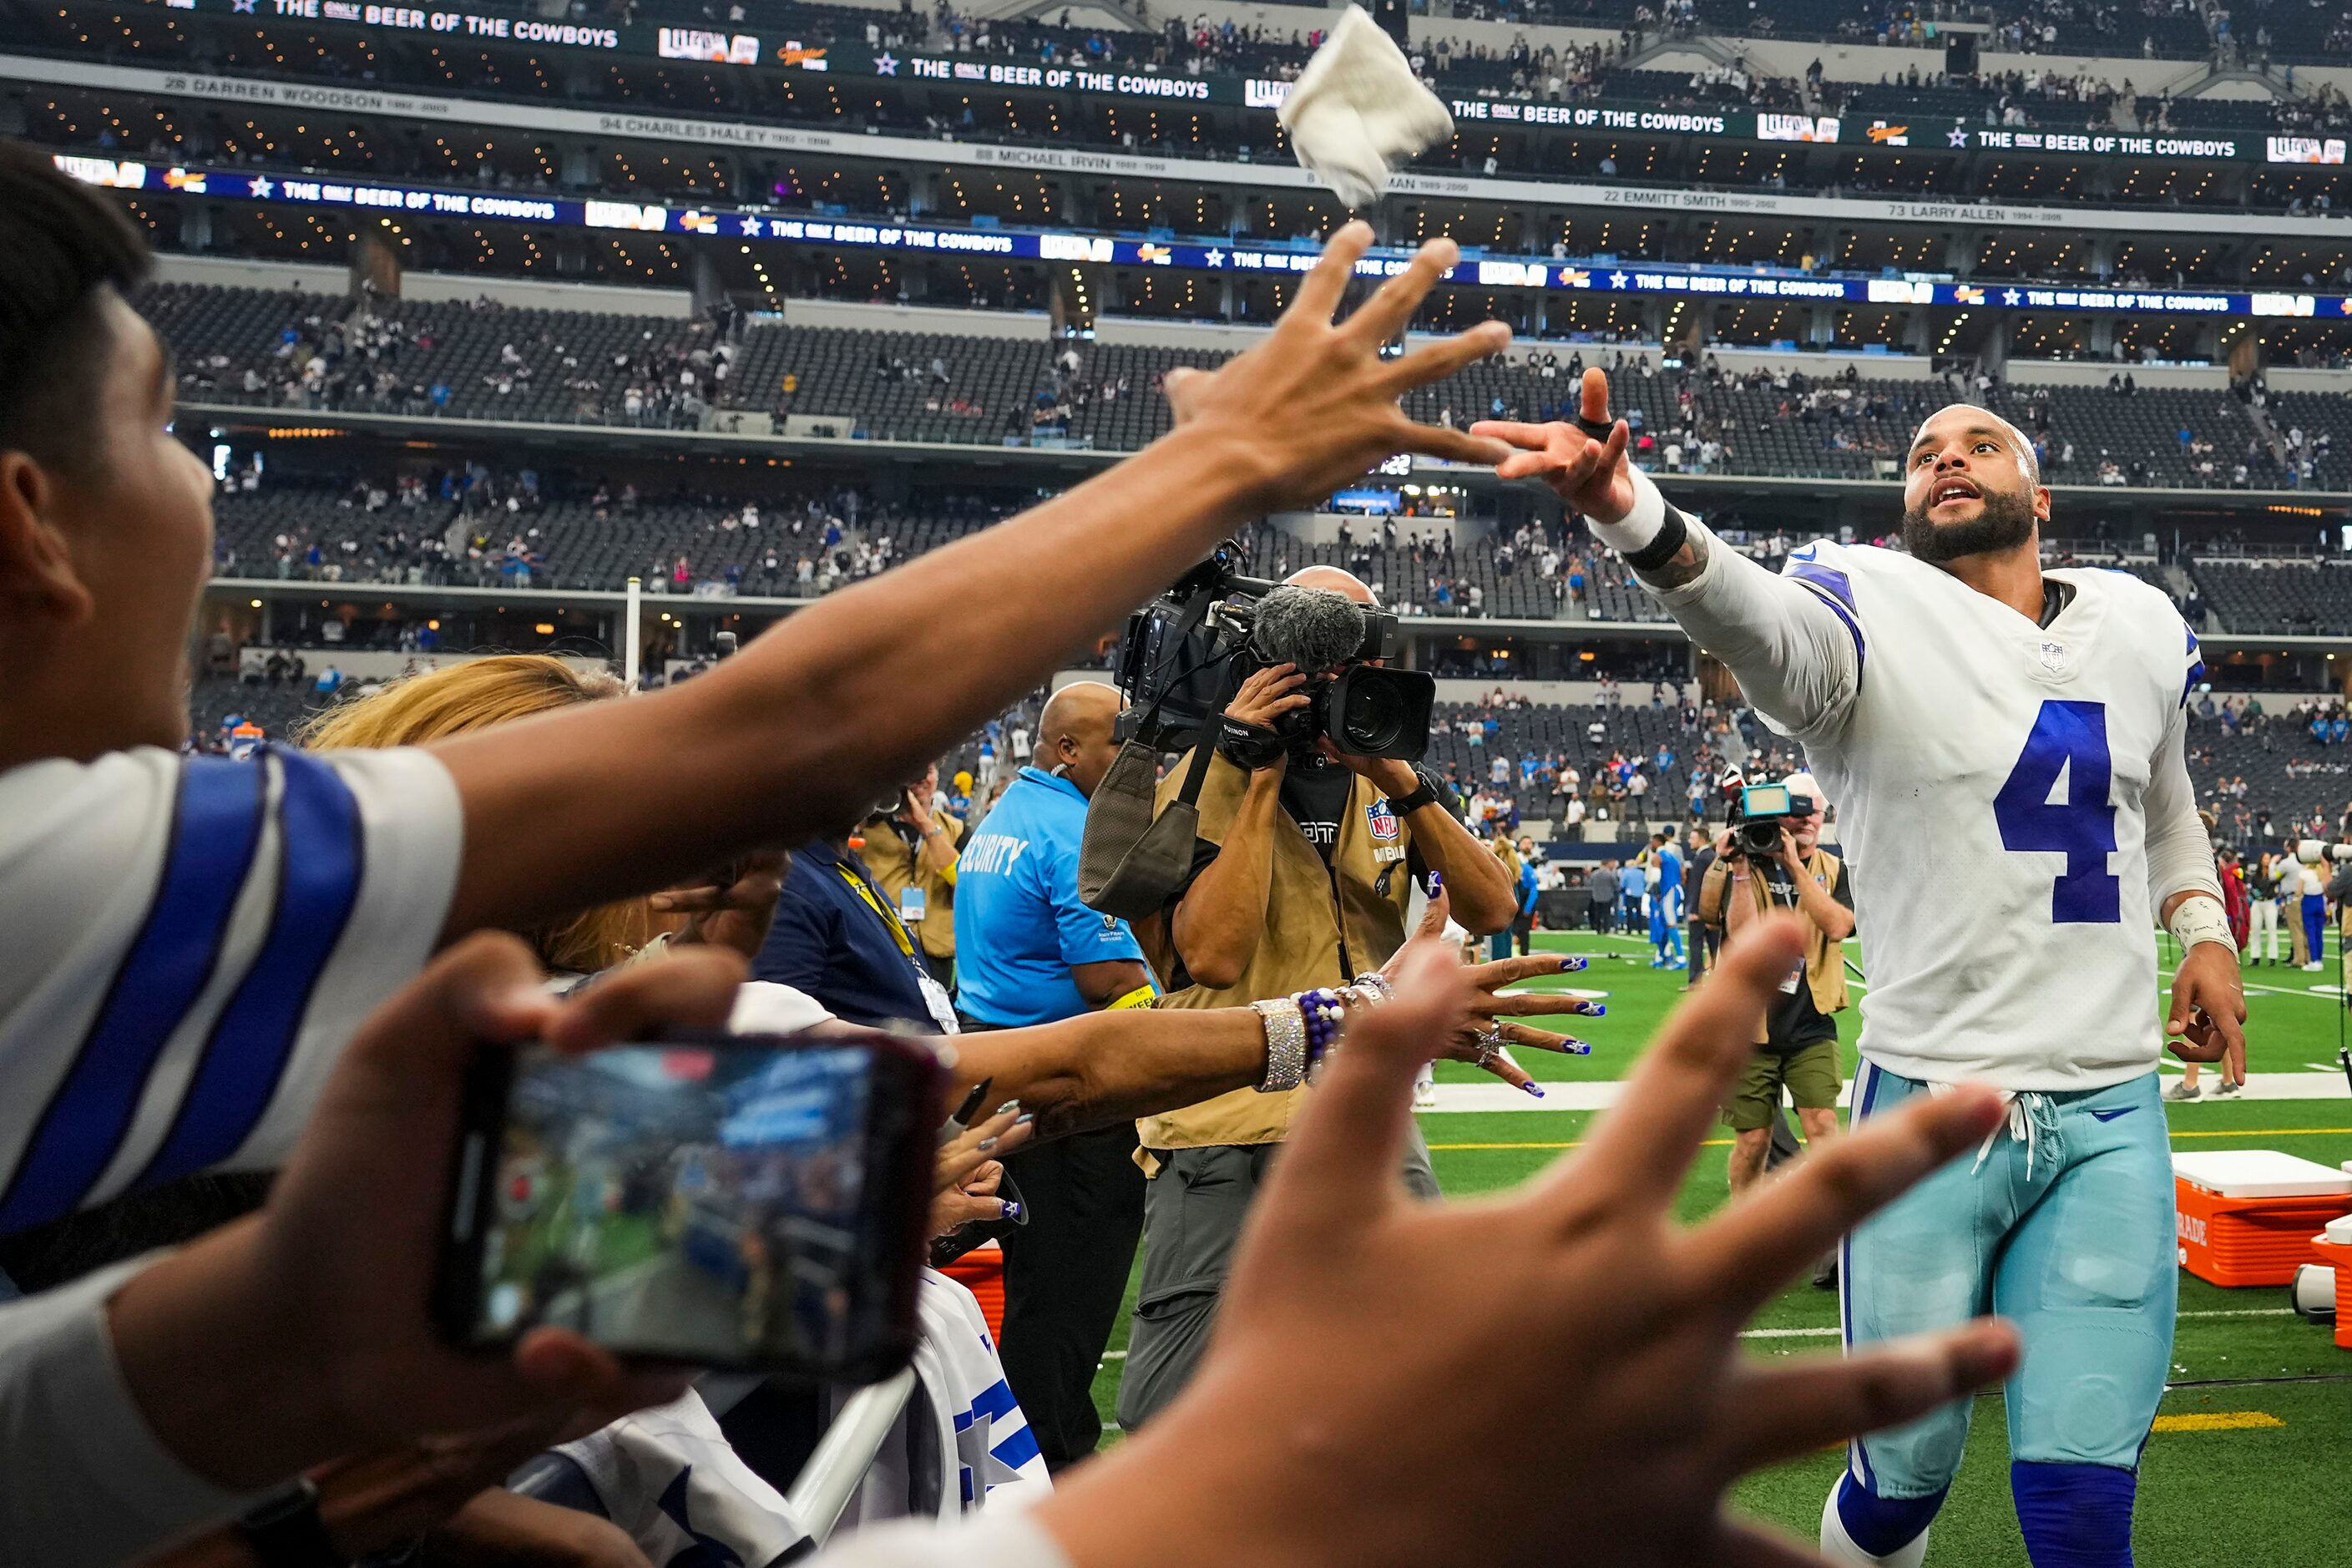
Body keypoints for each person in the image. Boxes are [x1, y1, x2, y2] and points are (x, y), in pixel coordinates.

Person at [0, 152, 1515, 1247]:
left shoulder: (471, 1080)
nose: (204, 485)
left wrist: (803, 1215)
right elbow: (787, 742)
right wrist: (1214, 467)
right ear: (28, 518)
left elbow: (181, 1409)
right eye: (166, 428)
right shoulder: (52, 878)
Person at [1480, 374, 2244, 1568]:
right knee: (1903, 1479)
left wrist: (2203, 929)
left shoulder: (2139, 625)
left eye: (1979, 444)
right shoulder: (1861, 608)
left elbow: (2169, 802)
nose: (1946, 458)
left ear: (2037, 493)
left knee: (2085, 1493)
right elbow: (1759, 626)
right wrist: (1636, 515)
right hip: (1931, 1107)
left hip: (2108, 1104)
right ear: (1902, 505)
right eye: (1924, 451)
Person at [1117, 569, 1573, 1432]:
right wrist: (1254, 772)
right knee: (1175, 1408)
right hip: (1220, 1119)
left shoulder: (1382, 776)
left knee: (1426, 1376)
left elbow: (1493, 906)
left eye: (1350, 658)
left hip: (1361, 1111)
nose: (1329, 682)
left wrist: (1399, 776)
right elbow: (1209, 955)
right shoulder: (1193, 770)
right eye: (1309, 661)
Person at [952, 681, 1156, 1473]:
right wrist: (1187, 1028)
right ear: (1068, 748)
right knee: (1067, 1298)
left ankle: (1023, 1455)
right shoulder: (1076, 830)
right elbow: (1108, 976)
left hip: (998, 1064)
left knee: (1034, 1287)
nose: (1135, 761)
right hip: (1068, 1091)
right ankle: (1052, 1467)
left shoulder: (1006, 815)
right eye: (1118, 744)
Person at [1697, 772, 1854, 1201]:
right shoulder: (1743, 861)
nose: (1805, 822)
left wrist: (1793, 866)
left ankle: (1833, 1237)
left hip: (1811, 1021)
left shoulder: (1832, 868)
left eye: (1813, 814)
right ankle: (1742, 1227)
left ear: (1824, 819)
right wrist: (1743, 868)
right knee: (1752, 1142)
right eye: (1795, 813)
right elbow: (1741, 934)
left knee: (1823, 1125)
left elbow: (1839, 925)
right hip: (1751, 1027)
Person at [862, 762, 965, 987]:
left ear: (937, 776)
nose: (920, 781)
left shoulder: (955, 829)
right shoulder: (866, 828)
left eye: (927, 772)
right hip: (884, 946)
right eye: (911, 773)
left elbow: (966, 884)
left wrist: (925, 826)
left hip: (936, 952)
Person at [1646, 827, 1686, 969]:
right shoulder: (1672, 856)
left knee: (1670, 924)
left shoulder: (1658, 857)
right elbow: (1683, 873)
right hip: (1676, 889)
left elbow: (1656, 878)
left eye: (1652, 842)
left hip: (1667, 891)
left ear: (1656, 842)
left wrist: (1653, 892)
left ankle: (1681, 958)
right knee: (1663, 924)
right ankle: (1662, 956)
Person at [1586, 857, 1618, 934]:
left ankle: (1598, 928)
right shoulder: (1610, 874)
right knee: (1606, 914)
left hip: (1597, 897)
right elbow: (1616, 885)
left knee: (1598, 913)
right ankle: (1606, 929)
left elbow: (1590, 883)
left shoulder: (1594, 874)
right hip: (1608, 897)